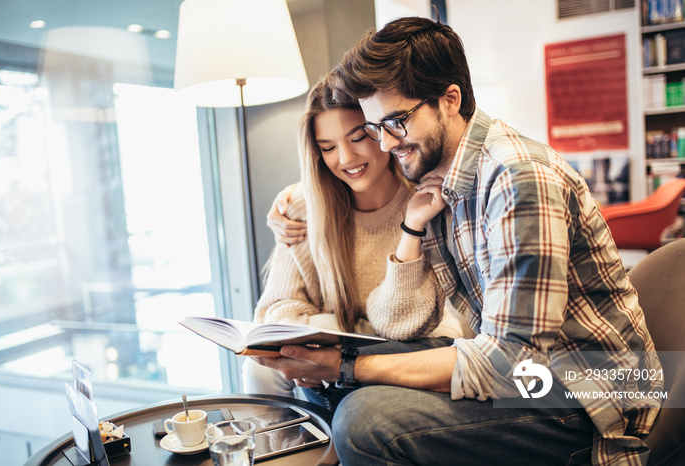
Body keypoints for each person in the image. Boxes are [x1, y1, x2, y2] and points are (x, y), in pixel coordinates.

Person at [256, 16, 663, 465]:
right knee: (352, 379)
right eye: (375, 128)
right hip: (539, 375)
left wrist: (348, 368)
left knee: (362, 418)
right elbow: (409, 328)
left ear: (450, 99)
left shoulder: (516, 179)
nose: (386, 144)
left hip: (588, 395)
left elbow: (511, 361)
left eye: (395, 122)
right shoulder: (440, 179)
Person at [243, 72, 466, 398]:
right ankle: (278, 448)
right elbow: (277, 307)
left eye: (358, 137)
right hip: (336, 339)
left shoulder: (425, 202)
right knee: (260, 365)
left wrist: (412, 226)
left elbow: (402, 325)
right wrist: (300, 346)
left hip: (410, 342)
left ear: (382, 131)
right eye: (328, 147)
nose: (346, 159)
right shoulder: (302, 206)